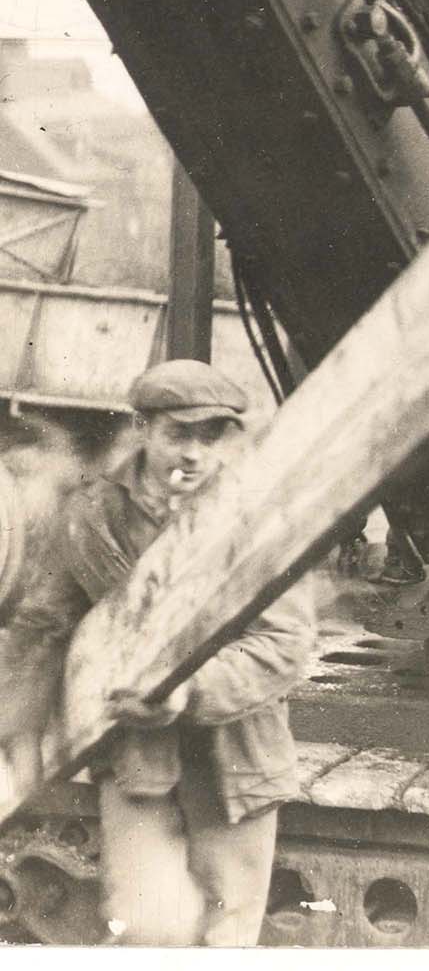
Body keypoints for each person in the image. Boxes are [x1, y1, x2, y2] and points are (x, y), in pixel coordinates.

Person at [10, 359, 316, 946]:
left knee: (228, 934)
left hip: (236, 759)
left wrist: (189, 690)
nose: (195, 454)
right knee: (147, 930)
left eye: (211, 437)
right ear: (143, 428)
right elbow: (45, 625)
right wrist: (16, 723)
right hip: (136, 760)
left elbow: (285, 646)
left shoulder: (260, 521)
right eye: (179, 434)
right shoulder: (93, 515)